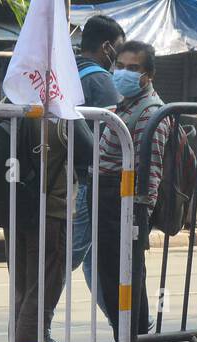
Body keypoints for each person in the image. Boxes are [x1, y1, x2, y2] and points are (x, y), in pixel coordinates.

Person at [86, 40, 168, 342]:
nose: (122, 72)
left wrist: (139, 214)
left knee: (121, 280)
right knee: (130, 280)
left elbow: (152, 168)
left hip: (125, 204)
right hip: (110, 198)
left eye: (132, 68)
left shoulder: (150, 112)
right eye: (119, 64)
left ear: (147, 74)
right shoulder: (125, 104)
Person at [9, 116, 72, 342]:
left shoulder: (10, 103)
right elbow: (86, 144)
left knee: (24, 292)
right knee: (39, 294)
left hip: (16, 209)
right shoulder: (57, 112)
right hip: (49, 212)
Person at [70, 14, 124, 284]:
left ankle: (130, 325)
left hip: (64, 178)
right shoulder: (102, 81)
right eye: (119, 48)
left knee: (95, 264)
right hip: (89, 182)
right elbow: (112, 139)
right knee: (66, 258)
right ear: (107, 47)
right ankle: (36, 322)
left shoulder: (68, 73)